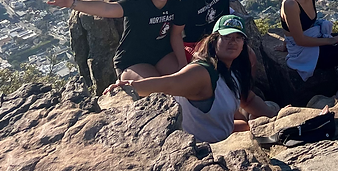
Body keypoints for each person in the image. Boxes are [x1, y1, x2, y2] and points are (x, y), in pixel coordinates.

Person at [104, 15, 277, 143]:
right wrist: (131, 86)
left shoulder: (232, 71)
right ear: (214, 41)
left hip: (220, 134)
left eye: (238, 38)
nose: (233, 42)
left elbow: (248, 98)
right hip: (204, 147)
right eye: (226, 37)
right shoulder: (202, 72)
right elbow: (169, 83)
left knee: (257, 119)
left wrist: (274, 116)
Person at [45, 0, 185, 80]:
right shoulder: (138, 4)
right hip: (133, 60)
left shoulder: (176, 0)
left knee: (183, 81)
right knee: (156, 87)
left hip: (161, 54)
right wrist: (72, 3)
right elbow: (107, 8)